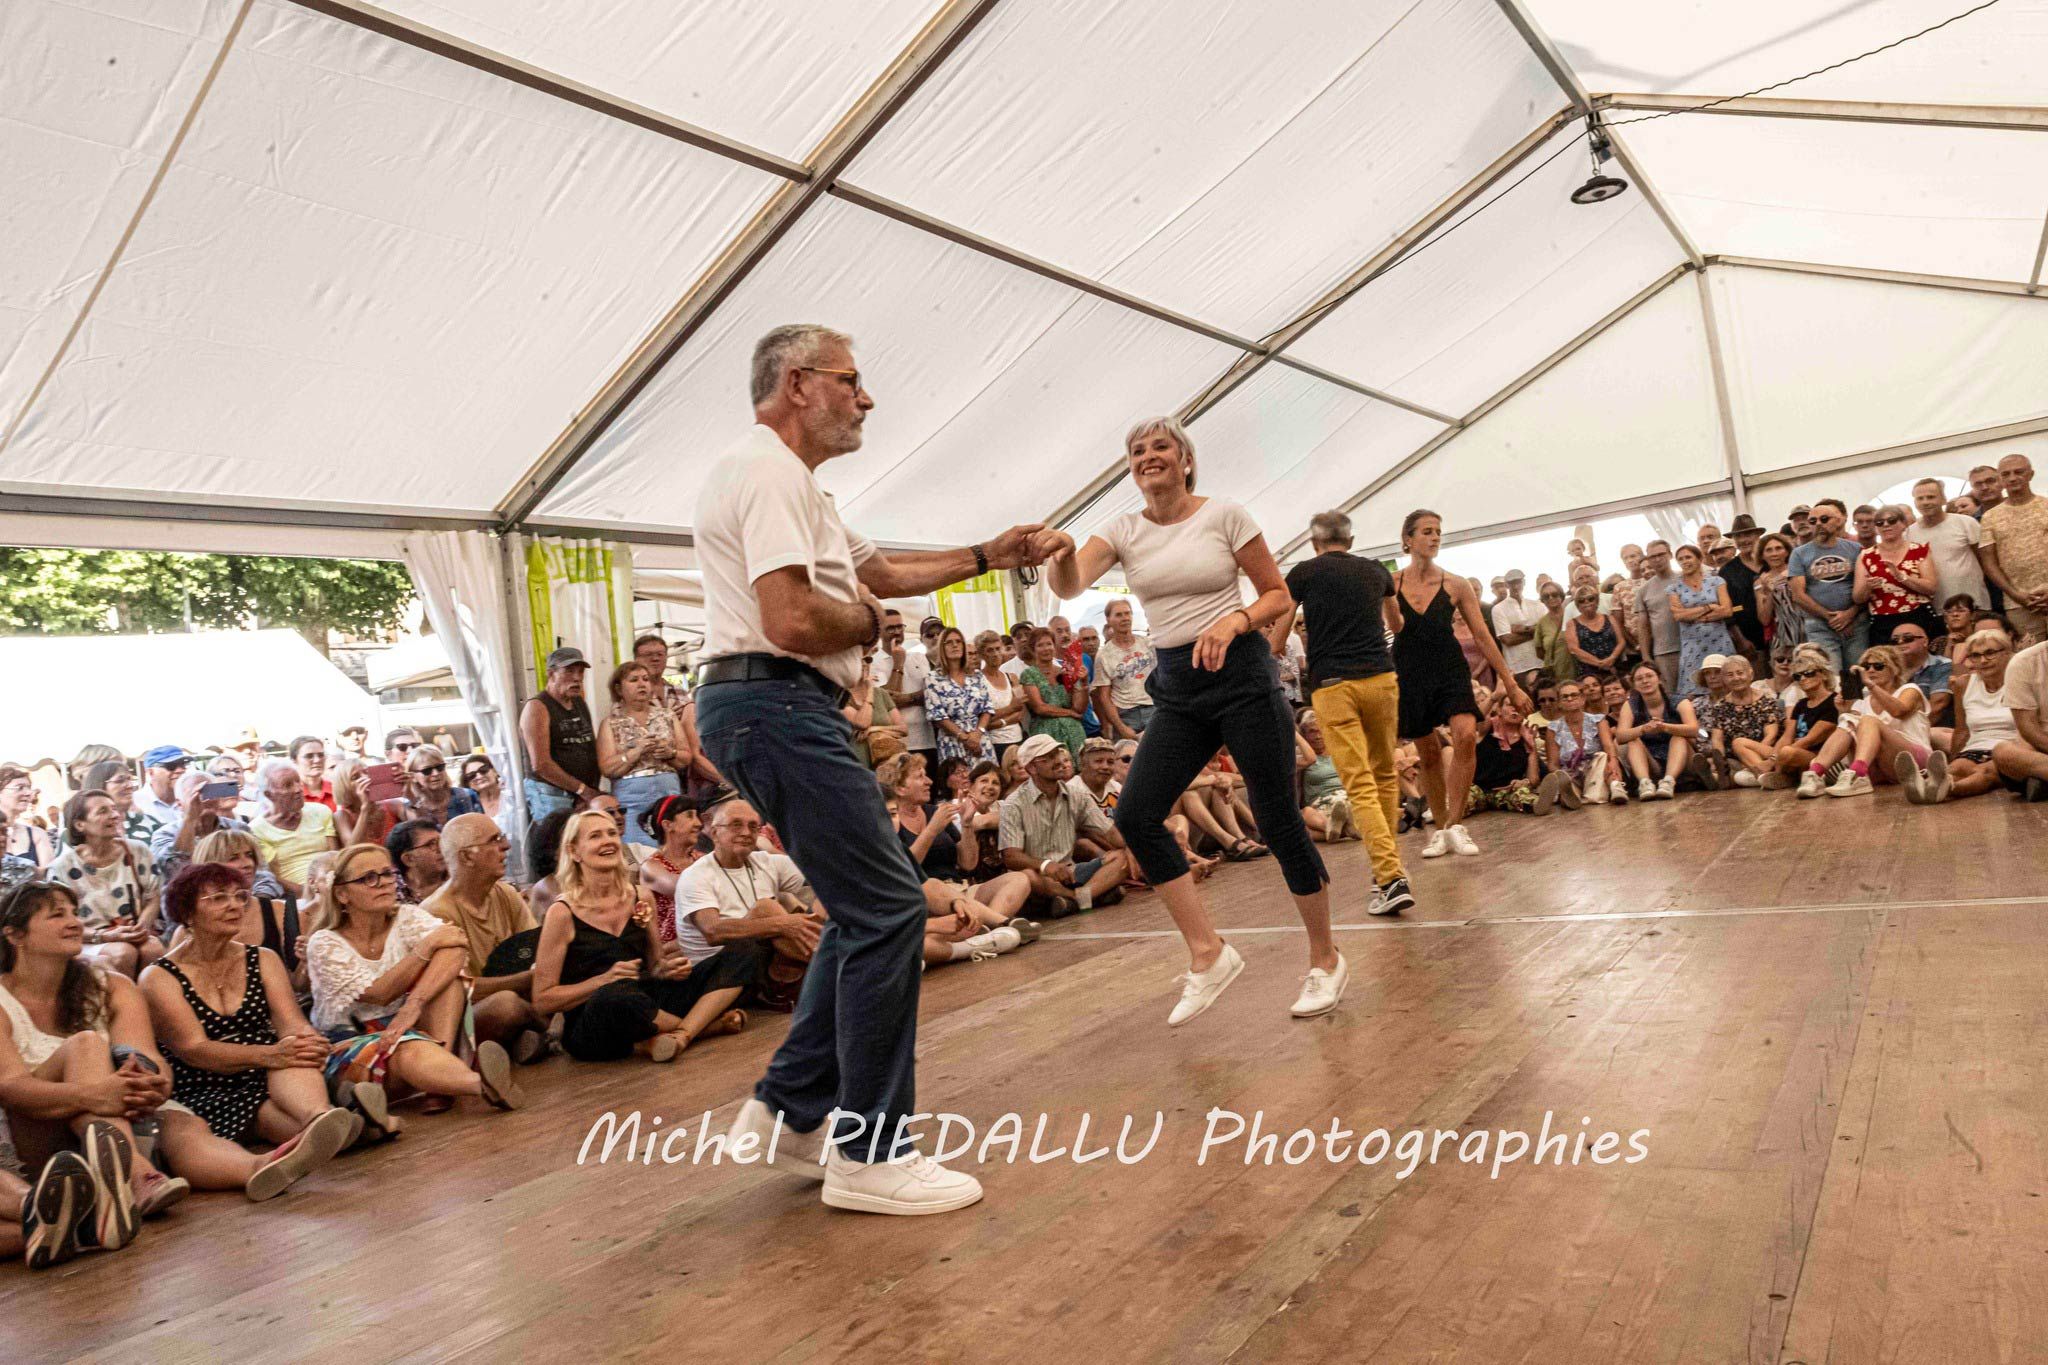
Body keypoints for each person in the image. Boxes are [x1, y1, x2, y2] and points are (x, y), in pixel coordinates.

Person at [694, 324, 1046, 1213]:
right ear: (800, 382)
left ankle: (792, 1109)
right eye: (853, 379)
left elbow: (881, 568)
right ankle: (872, 1152)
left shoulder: (791, 484)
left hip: (772, 706)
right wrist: (869, 625)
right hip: (776, 700)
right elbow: (792, 616)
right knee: (889, 907)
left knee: (866, 911)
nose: (867, 396)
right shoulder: (768, 471)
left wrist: (983, 558)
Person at [1035, 415, 1348, 1028]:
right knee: (1136, 813)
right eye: (1136, 450)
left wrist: (1235, 621)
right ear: (1132, 468)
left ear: (1185, 460)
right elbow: (1070, 587)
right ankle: (1209, 953)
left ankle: (1325, 959)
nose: (1147, 455)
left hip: (1242, 678)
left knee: (1280, 820)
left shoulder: (1225, 515)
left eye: (1160, 447)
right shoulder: (1123, 529)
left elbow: (1277, 595)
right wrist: (1061, 553)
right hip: (1177, 685)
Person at [0, 881, 194, 1260]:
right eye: (57, 915)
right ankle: (112, 1190)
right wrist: (94, 1094)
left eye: (74, 912)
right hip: (34, 1135)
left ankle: (76, 1219)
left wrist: (153, 1084)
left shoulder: (109, 984)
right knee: (87, 1044)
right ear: (14, 934)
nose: (74, 922)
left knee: (185, 1125)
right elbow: (10, 1088)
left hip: (118, 1124)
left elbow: (149, 1060)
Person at [137, 864, 358, 1197]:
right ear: (187, 912)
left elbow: (291, 1022)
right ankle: (347, 1126)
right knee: (203, 1127)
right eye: (219, 898)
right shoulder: (159, 976)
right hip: (200, 1083)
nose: (235, 905)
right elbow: (194, 1049)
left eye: (241, 896)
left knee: (295, 1055)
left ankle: (321, 1116)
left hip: (268, 1073)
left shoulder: (262, 958)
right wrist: (272, 1053)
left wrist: (306, 1038)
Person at [304, 843, 521, 1115]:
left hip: (414, 1025)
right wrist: (425, 948)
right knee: (410, 1047)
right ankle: (479, 1083)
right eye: (369, 878)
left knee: (450, 984)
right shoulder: (324, 943)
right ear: (342, 894)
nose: (383, 883)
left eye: (387, 874)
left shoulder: (406, 917)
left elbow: (454, 946)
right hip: (352, 1041)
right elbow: (379, 993)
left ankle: (439, 1084)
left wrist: (414, 1004)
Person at [534, 810, 751, 1063]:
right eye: (595, 836)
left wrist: (668, 969)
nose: (608, 841)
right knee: (616, 996)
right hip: (598, 1016)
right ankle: (705, 1027)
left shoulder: (641, 896)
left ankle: (676, 1035)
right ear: (574, 851)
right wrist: (601, 981)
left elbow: (654, 965)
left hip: (646, 999)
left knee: (743, 950)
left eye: (612, 833)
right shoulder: (561, 913)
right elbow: (542, 1000)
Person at [1277, 509, 1412, 914]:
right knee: (1384, 773)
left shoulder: (1303, 573)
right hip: (1381, 679)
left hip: (1334, 684)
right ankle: (1385, 873)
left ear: (1314, 542)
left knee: (1358, 783)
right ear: (1350, 540)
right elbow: (1398, 624)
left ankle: (1390, 877)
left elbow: (1279, 635)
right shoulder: (1376, 571)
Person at [1388, 511, 1531, 858]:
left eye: (1438, 532)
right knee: (1429, 753)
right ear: (1407, 539)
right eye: (1427, 532)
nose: (1435, 537)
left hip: (1450, 670)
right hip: (1409, 673)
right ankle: (1440, 829)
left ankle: (1455, 823)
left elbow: (1483, 636)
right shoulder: (1388, 583)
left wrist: (1510, 684)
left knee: (1466, 735)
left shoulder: (1456, 584)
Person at [419, 814, 548, 1059]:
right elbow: (461, 990)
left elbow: (536, 947)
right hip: (462, 1017)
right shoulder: (435, 912)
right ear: (467, 856)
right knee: (506, 1006)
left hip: (522, 994)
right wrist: (529, 979)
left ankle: (520, 1040)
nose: (506, 846)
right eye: (494, 840)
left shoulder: (505, 893)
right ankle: (547, 1033)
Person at [997, 734, 1134, 916]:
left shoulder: (1076, 795)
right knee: (1027, 876)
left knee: (1121, 857)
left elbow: (1110, 833)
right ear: (1032, 768)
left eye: (1058, 754)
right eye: (1050, 757)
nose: (1059, 761)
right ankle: (1092, 895)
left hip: (1072, 872)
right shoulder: (1013, 804)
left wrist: (1131, 849)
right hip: (1041, 877)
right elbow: (1011, 857)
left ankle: (1076, 899)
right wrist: (1046, 865)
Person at [48, 790, 164, 978]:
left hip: (131, 931)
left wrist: (142, 926)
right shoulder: (62, 867)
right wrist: (103, 936)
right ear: (80, 825)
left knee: (152, 948)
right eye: (103, 811)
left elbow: (153, 897)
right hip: (88, 938)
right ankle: (121, 1005)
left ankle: (151, 1004)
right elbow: (58, 921)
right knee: (122, 953)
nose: (115, 815)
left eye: (114, 809)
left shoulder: (137, 851)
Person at [1800, 644, 1930, 798]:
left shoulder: (1910, 689)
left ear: (1894, 669)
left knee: (1869, 720)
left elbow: (1899, 711)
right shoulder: (1863, 702)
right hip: (1879, 767)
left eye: (1878, 666)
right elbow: (1848, 734)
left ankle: (1857, 774)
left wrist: (1870, 684)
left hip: (1913, 762)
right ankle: (1815, 773)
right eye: (1866, 667)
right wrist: (1843, 710)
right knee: (1849, 719)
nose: (1871, 670)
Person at [1909, 629, 2019, 803]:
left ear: (2007, 653)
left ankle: (1946, 788)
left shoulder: (2021, 681)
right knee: (1956, 768)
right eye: (1975, 655)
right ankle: (1924, 784)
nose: (1983, 660)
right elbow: (1961, 730)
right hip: (1974, 747)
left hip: (2008, 750)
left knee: (1984, 773)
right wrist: (1953, 759)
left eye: (1990, 653)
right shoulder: (1964, 684)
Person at [189, 829, 304, 993]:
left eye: (249, 855)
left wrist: (306, 963)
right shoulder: (192, 922)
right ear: (209, 865)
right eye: (233, 858)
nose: (247, 863)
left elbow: (297, 985)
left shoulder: (278, 910)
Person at [597, 661, 682, 847]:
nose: (642, 684)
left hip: (667, 790)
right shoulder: (610, 723)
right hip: (632, 797)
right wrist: (635, 752)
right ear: (619, 688)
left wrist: (670, 753)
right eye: (634, 680)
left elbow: (686, 757)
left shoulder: (667, 715)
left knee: (673, 845)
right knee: (636, 849)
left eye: (646, 679)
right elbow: (606, 768)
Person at [519, 647, 603, 822]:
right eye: (569, 671)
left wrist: (587, 790)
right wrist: (583, 790)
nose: (577, 677)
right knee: (557, 843)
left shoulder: (579, 702)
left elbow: (589, 745)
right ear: (551, 674)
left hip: (579, 794)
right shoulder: (537, 707)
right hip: (552, 794)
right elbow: (541, 765)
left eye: (580, 672)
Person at [1789, 500, 1869, 679]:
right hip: (1819, 626)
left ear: (1839, 520)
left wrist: (1849, 615)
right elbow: (1798, 595)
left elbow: (1866, 589)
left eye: (1824, 519)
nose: (1818, 524)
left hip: (1855, 624)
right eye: (1813, 521)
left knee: (1857, 676)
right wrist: (1831, 618)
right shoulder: (1799, 553)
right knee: (1830, 678)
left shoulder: (1855, 549)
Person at [1979, 453, 2048, 642]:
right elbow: (1989, 563)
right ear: (2000, 479)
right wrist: (2017, 595)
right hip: (2017, 603)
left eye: (2019, 472)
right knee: (2029, 660)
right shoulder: (1990, 517)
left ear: (2031, 474)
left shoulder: (2046, 506)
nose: (2012, 478)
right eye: (2006, 474)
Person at [247, 760, 338, 900]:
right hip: (295, 897)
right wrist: (313, 894)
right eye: (287, 785)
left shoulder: (321, 811)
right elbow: (273, 877)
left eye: (298, 781)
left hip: (333, 884)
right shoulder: (256, 830)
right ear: (269, 794)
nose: (298, 789)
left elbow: (335, 857)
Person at [1855, 503, 1940, 646]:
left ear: (1903, 524)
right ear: (1876, 528)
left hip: (1918, 615)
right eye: (1880, 523)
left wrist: (1902, 577)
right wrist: (1868, 587)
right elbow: (1858, 598)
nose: (1886, 525)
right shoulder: (1866, 555)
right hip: (1883, 621)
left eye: (1892, 520)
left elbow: (1931, 587)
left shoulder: (1919, 550)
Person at [1468, 697, 1570, 815]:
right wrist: (1495, 696)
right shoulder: (1487, 728)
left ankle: (1539, 804)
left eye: (1518, 706)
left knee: (1522, 794)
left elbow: (1533, 778)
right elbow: (1476, 718)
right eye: (1510, 705)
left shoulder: (1527, 738)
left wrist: (1524, 782)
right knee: (1468, 799)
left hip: (1506, 791)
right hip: (1478, 788)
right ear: (1499, 710)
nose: (1515, 709)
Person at [1613, 663, 1697, 800]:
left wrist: (1664, 727)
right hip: (1652, 761)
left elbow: (1693, 729)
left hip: (1682, 757)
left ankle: (1669, 781)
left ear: (1659, 679)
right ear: (1634, 685)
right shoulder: (1631, 705)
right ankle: (1645, 783)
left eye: (1649, 676)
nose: (1645, 681)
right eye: (1639, 679)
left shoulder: (1679, 701)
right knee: (1633, 739)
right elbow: (1621, 736)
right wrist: (1643, 729)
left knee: (1678, 737)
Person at [1700, 655, 1783, 788]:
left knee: (1738, 743)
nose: (1736, 678)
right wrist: (1719, 759)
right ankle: (1757, 777)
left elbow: (1771, 736)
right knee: (1719, 768)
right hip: (1736, 759)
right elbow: (1717, 740)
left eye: (1740, 673)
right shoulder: (1720, 706)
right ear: (1724, 679)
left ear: (1750, 674)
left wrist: (1750, 756)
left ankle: (1760, 772)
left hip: (1766, 753)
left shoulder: (1766, 701)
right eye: (1730, 675)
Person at [1907, 477, 1988, 610]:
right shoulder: (1909, 533)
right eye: (1920, 498)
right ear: (1915, 503)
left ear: (1943, 499)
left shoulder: (1966, 523)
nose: (1925, 502)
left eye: (1931, 497)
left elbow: (1985, 560)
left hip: (1973, 603)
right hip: (1937, 608)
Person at [1669, 544, 1735, 702]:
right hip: (1692, 645)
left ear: (1699, 559)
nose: (1685, 561)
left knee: (1728, 684)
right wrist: (1709, 607)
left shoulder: (1716, 581)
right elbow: (1678, 615)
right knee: (1694, 691)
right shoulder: (1674, 588)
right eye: (1681, 559)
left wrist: (1693, 615)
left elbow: (1727, 610)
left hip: (1719, 641)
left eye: (1688, 557)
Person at [1544, 679, 1626, 804]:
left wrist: (1613, 762)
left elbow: (1608, 746)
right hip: (1570, 774)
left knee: (1602, 756)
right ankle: (1568, 794)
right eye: (1565, 697)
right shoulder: (1553, 728)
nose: (1570, 699)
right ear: (1559, 703)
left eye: (1574, 695)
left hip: (1595, 771)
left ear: (1582, 699)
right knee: (1567, 786)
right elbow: (1552, 763)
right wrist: (1560, 776)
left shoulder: (1598, 720)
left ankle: (1614, 786)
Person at [635, 795, 703, 943]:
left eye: (697, 816)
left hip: (703, 938)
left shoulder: (702, 859)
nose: (698, 823)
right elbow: (685, 889)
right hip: (671, 948)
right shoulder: (651, 867)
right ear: (668, 825)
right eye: (689, 816)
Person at [922, 626, 994, 764]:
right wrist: (964, 738)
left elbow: (987, 708)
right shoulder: (933, 678)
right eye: (949, 642)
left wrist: (978, 734)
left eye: (958, 641)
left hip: (980, 740)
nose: (954, 645)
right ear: (942, 648)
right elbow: (937, 716)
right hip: (952, 742)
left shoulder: (977, 675)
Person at [1990, 638, 2048, 800]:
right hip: (2041, 749)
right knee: (2003, 752)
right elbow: (2028, 729)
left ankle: (2041, 779)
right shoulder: (2024, 662)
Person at [1092, 599, 1156, 740]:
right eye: (1119, 615)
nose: (1125, 618)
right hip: (1125, 714)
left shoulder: (1147, 644)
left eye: (1127, 613)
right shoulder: (1103, 655)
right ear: (1109, 619)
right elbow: (1104, 697)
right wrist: (1121, 727)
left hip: (1153, 708)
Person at [1018, 627, 1088, 757]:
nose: (1046, 649)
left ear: (1054, 646)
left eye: (1049, 644)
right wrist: (1069, 713)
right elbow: (1040, 708)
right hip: (1047, 735)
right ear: (1033, 650)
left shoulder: (1065, 671)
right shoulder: (1028, 674)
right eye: (1040, 645)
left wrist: (1084, 682)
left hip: (1074, 733)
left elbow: (1079, 708)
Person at [391, 743, 483, 832]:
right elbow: (421, 834)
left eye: (440, 767)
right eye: (427, 770)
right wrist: (413, 801)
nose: (435, 773)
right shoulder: (409, 806)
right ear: (413, 776)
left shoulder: (467, 796)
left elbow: (483, 829)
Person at [1636, 541, 1684, 691]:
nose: (1657, 559)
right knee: (1671, 695)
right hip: (1663, 653)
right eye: (1652, 557)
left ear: (1670, 555)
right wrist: (1646, 657)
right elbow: (1643, 626)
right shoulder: (1644, 590)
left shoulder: (1686, 579)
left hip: (1690, 646)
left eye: (1661, 554)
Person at [1718, 514, 1766, 657]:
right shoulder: (1727, 571)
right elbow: (1727, 612)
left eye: (1748, 534)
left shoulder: (1771, 561)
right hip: (1749, 641)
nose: (1743, 540)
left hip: (1781, 635)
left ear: (1758, 535)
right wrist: (1740, 640)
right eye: (1738, 536)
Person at [974, 631, 1028, 754]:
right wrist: (1010, 709)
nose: (995, 654)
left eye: (998, 649)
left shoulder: (1012, 678)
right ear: (982, 654)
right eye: (990, 650)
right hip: (993, 743)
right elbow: (980, 720)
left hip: (1017, 739)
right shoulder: (976, 680)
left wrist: (998, 720)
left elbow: (1020, 710)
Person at [2, 764, 56, 883]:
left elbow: (50, 878)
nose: (28, 793)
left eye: (28, 787)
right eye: (20, 787)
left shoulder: (38, 834)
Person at [1491, 570, 1542, 690]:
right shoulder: (1498, 609)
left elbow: (1546, 629)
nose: (1515, 586)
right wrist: (1534, 631)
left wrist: (1521, 629)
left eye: (1518, 582)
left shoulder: (1537, 605)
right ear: (1507, 585)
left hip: (1540, 663)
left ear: (1523, 582)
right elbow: (1507, 639)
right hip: (1517, 667)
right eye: (1512, 583)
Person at [1754, 532, 1802, 660]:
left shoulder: (1798, 571)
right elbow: (1764, 619)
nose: (1774, 554)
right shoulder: (1760, 582)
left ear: (1787, 551)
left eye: (1778, 548)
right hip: (1782, 637)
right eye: (1768, 550)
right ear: (1762, 555)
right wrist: (1768, 591)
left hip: (1806, 630)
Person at [1564, 584, 1628, 680]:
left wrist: (1612, 658)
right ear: (1577, 605)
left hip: (1615, 667)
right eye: (1581, 600)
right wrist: (1600, 663)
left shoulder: (1610, 618)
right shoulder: (1572, 623)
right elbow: (1574, 649)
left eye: (1590, 599)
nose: (1586, 602)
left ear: (1597, 601)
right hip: (1589, 673)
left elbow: (1621, 641)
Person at [384, 818, 447, 904]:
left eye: (441, 841)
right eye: (431, 844)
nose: (441, 847)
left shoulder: (458, 877)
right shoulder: (389, 890)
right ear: (409, 859)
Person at [134, 746, 190, 832]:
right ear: (151, 772)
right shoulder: (136, 803)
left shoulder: (191, 798)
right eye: (171, 766)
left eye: (183, 765)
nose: (180, 770)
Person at [1532, 582, 1574, 683]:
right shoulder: (1542, 623)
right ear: (1543, 600)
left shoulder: (1573, 615)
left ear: (1561, 596)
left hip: (1577, 670)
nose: (1551, 598)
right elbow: (1540, 652)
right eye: (1546, 596)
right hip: (1555, 675)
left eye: (1554, 594)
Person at [290, 736, 333, 810]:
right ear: (294, 760)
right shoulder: (290, 794)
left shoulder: (337, 790)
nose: (317, 760)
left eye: (321, 755)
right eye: (309, 756)